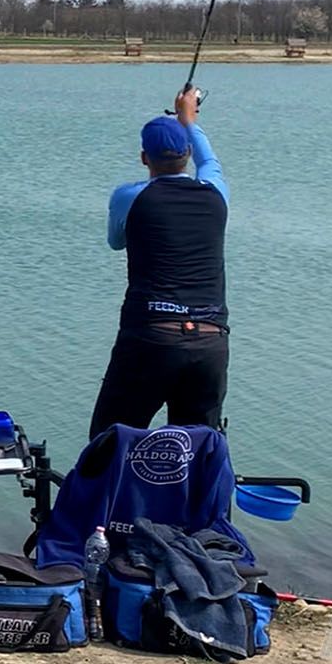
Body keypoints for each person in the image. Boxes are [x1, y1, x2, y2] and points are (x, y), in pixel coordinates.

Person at [89, 88, 230, 438]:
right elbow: (210, 161)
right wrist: (189, 119)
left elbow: (115, 242)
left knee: (108, 445)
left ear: (144, 157)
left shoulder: (129, 197)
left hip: (150, 338)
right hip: (210, 343)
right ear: (187, 154)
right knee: (196, 453)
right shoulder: (216, 192)